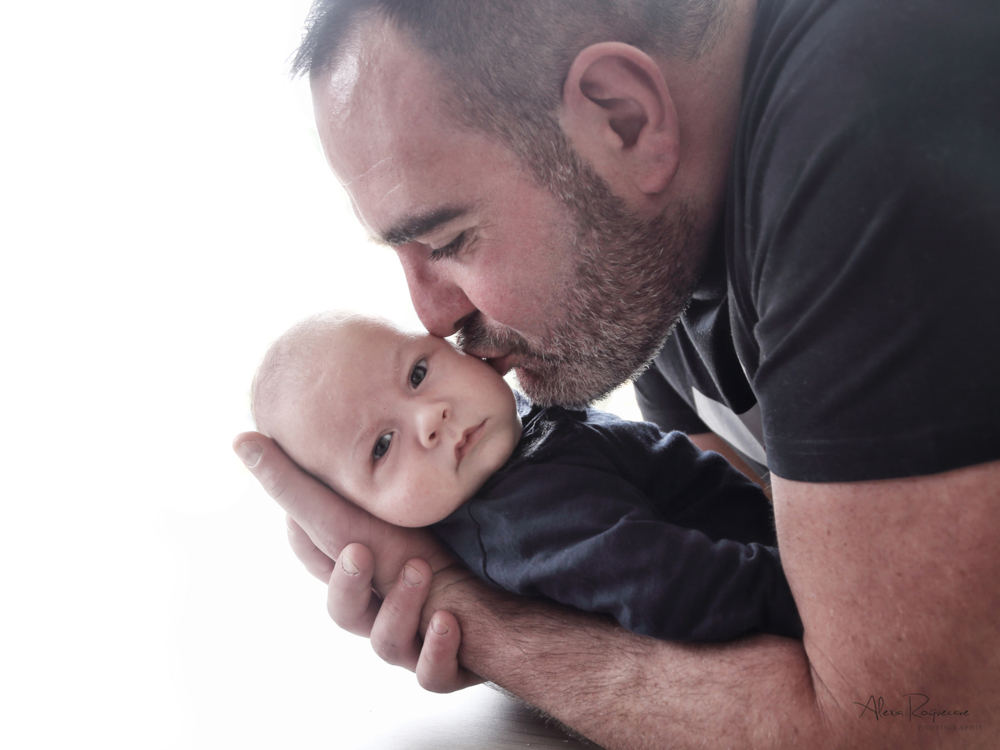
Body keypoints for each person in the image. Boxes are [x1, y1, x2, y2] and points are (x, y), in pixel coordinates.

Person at [233, 0, 1000, 747]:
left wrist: (466, 614)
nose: (431, 318)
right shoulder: (646, 258)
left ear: (622, 118)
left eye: (450, 240)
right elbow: (742, 563)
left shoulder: (871, 123)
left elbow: (905, 724)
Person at [251, 311, 802, 642]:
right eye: (382, 446)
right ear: (370, 514)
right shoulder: (524, 521)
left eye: (418, 372)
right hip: (784, 596)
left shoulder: (506, 433)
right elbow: (673, 587)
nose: (429, 418)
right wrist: (808, 595)